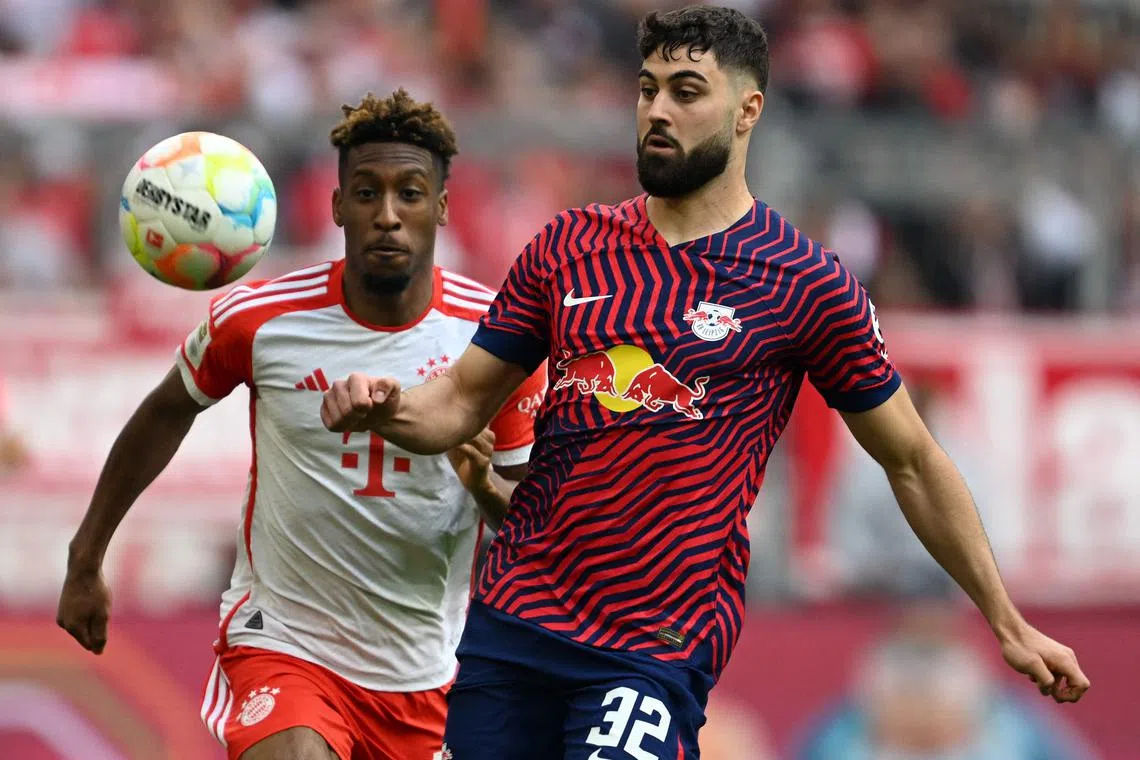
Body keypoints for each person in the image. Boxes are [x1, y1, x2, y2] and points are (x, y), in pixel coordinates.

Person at [322, 8, 1090, 759]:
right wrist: (384, 406)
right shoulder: (566, 246)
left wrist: (1006, 620)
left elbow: (912, 461)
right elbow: (457, 403)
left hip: (653, 646)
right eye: (647, 88)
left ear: (747, 109)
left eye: (686, 92)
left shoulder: (804, 282)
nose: (658, 110)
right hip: (515, 619)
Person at [56, 90, 545, 760]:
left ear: (441, 207)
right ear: (338, 207)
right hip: (283, 642)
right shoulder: (260, 320)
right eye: (367, 194)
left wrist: (483, 486)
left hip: (425, 673)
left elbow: (533, 521)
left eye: (409, 193)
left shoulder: (498, 338)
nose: (388, 216)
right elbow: (166, 411)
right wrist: (86, 557)